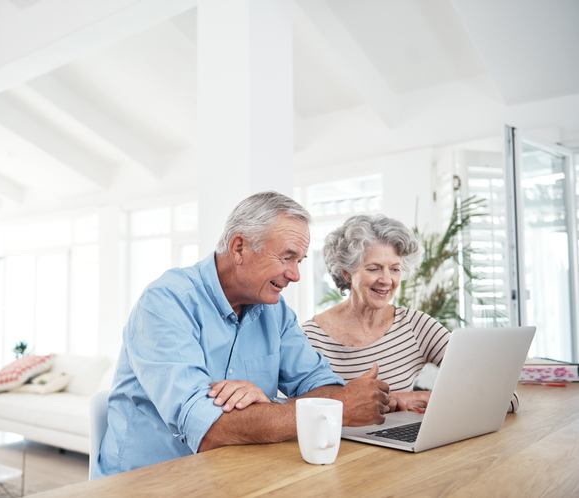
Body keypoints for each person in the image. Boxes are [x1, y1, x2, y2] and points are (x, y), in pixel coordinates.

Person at [92, 192, 391, 478]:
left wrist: (273, 405)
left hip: (233, 475)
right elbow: (210, 430)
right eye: (287, 257)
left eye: (299, 261)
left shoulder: (275, 310)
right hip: (148, 483)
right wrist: (336, 408)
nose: (295, 275)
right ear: (239, 248)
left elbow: (325, 388)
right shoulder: (165, 303)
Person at [301, 214, 519, 413]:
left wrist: (420, 398)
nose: (387, 280)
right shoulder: (311, 336)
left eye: (395, 269)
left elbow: (504, 397)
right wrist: (392, 400)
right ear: (346, 273)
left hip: (404, 450)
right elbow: (301, 412)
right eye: (374, 268)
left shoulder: (416, 326)